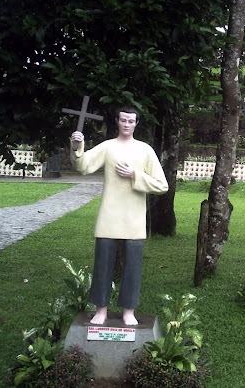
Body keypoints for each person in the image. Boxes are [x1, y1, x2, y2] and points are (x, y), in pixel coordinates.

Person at [70, 107, 169, 325]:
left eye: (130, 121)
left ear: (136, 124)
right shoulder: (108, 147)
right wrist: (77, 146)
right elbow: (83, 166)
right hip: (109, 214)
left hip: (134, 216)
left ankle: (128, 311)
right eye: (123, 120)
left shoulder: (145, 150)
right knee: (103, 263)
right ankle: (101, 309)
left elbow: (162, 185)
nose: (126, 124)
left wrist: (135, 175)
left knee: (133, 266)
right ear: (117, 121)